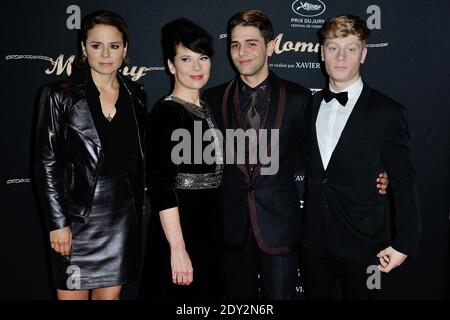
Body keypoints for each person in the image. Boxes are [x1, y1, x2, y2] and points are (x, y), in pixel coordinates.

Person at [202, 9, 388, 300]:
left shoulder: (301, 98)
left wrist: (375, 175)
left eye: (252, 43)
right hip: (230, 230)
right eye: (235, 44)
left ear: (271, 46)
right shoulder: (212, 100)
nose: (242, 52)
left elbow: (322, 157)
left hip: (282, 228)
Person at [301, 14, 421, 300]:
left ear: (364, 54)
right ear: (321, 53)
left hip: (365, 246)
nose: (341, 57)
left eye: (351, 48)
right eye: (333, 48)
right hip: (313, 244)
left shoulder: (387, 112)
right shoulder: (309, 105)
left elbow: (404, 182)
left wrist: (404, 244)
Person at [34, 10, 148, 300]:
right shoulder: (59, 95)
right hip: (75, 215)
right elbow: (46, 163)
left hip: (121, 216)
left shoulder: (136, 94)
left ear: (125, 49)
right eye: (97, 45)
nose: (106, 54)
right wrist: (58, 224)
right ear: (84, 48)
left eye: (114, 46)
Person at [139, 18, 226, 300]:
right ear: (171, 66)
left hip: (209, 230)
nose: (197, 67)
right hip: (180, 230)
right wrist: (177, 249)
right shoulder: (167, 114)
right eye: (186, 59)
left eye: (202, 58)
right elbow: (161, 188)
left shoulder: (206, 108)